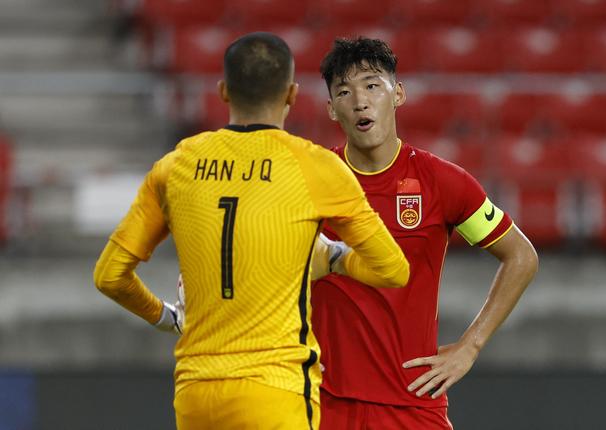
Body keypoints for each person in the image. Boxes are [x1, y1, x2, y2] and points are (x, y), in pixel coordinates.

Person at [93, 32, 409, 430]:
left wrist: (166, 317)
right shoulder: (316, 167)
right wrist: (333, 258)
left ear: (223, 91)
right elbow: (392, 270)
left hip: (196, 393)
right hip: (275, 390)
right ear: (292, 94)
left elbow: (110, 276)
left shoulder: (176, 165)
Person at [310, 37, 539, 429]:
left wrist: (470, 346)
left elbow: (521, 256)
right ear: (332, 109)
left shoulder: (443, 182)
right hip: (323, 402)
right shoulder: (311, 180)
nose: (360, 101)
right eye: (344, 92)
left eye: (372, 85)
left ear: (397, 94)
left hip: (413, 403)